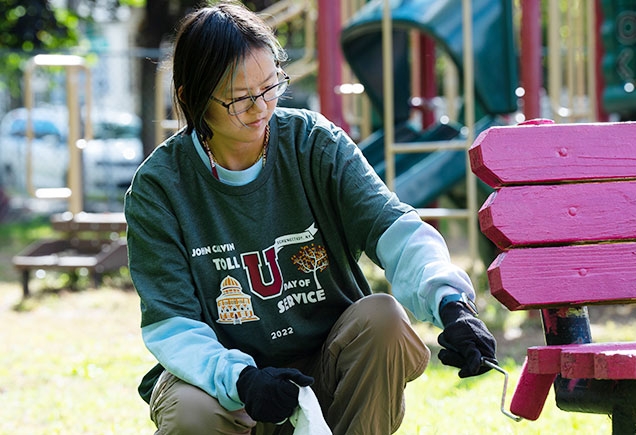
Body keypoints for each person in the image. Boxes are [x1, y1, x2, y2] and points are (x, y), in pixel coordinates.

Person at [124, 1, 497, 434]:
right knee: (189, 412)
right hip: (225, 383)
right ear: (192, 97)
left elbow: (394, 228)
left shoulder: (313, 142)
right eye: (240, 99)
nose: (261, 108)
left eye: (270, 86)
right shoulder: (159, 187)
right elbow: (173, 324)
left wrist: (451, 303)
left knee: (383, 319)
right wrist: (242, 380)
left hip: (325, 364)